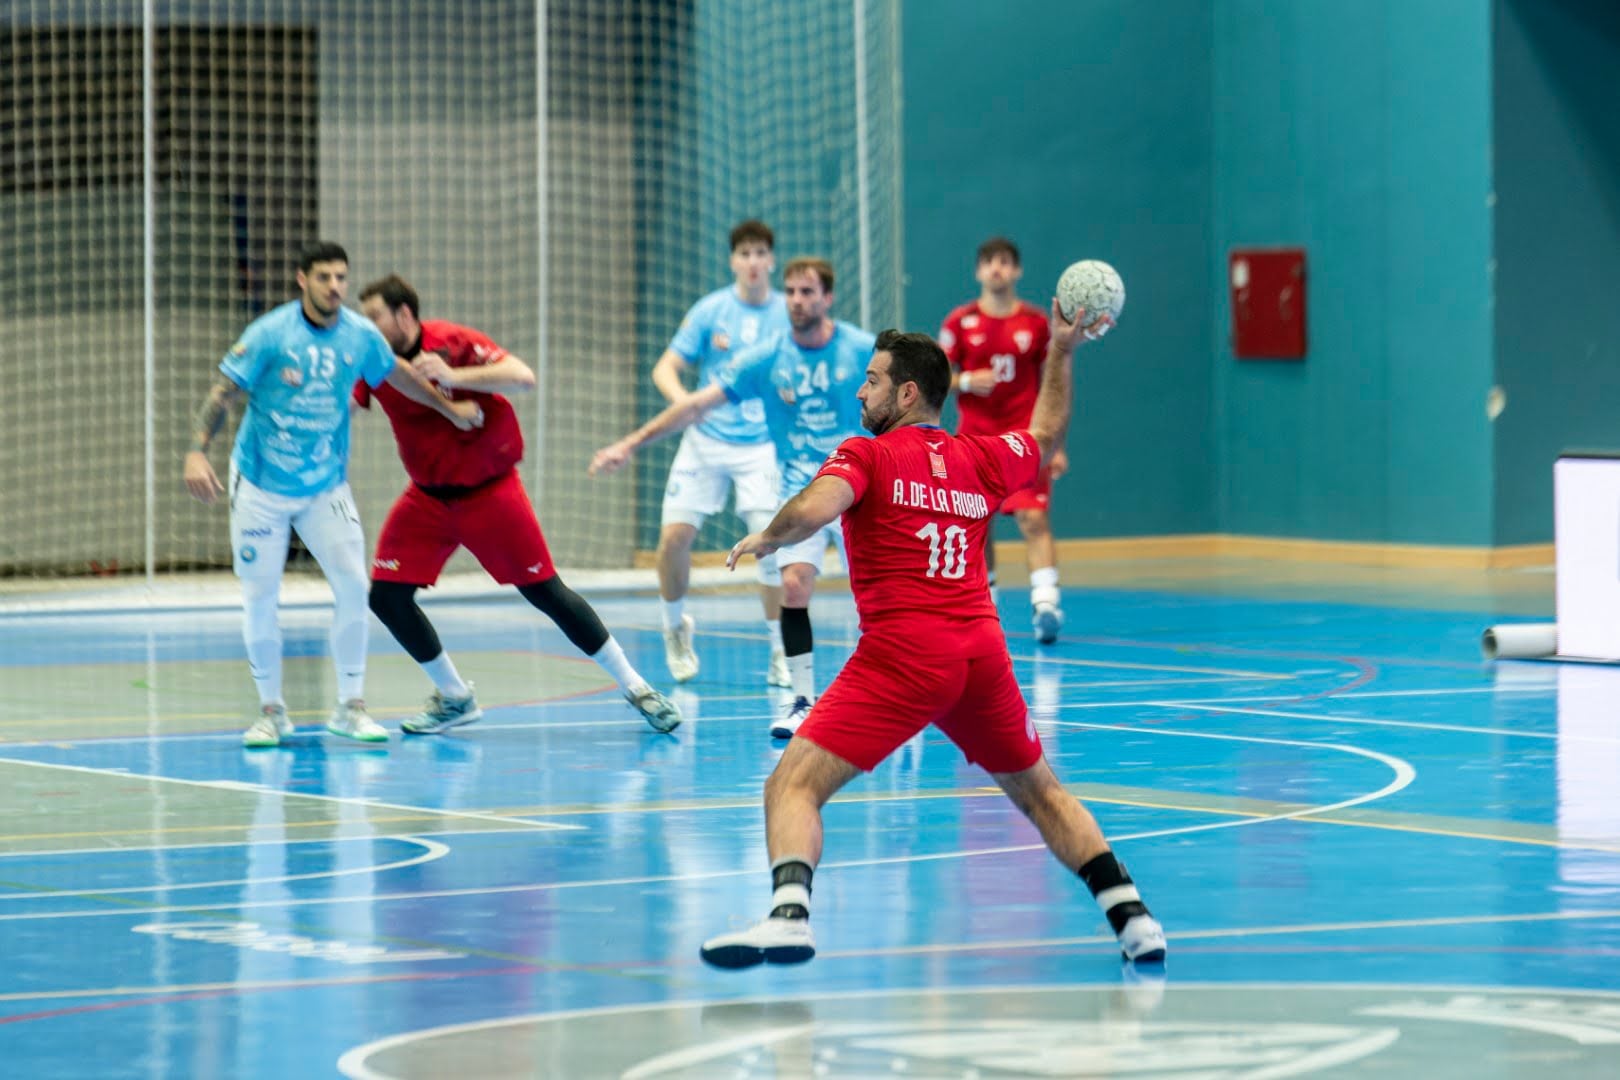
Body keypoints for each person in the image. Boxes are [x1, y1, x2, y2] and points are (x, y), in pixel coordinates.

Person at [698, 304, 1168, 970]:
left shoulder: (867, 453)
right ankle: (1133, 919)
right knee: (1041, 792)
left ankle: (789, 917)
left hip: (902, 659)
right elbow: (1045, 434)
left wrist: (770, 536)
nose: (860, 391)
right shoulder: (981, 457)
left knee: (791, 786)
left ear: (906, 393)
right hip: (981, 658)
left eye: (872, 380)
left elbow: (817, 506)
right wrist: (1061, 352)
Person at [183, 241, 483, 748]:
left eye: (341, 277)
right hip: (261, 486)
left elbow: (401, 379)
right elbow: (224, 393)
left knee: (351, 587)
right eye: (324, 277)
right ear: (303, 280)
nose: (335, 286)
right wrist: (196, 452)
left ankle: (351, 707)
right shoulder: (270, 335)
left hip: (324, 487)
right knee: (260, 597)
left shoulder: (362, 336)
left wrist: (449, 410)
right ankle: (271, 712)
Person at [356, 274, 682, 735]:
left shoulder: (452, 342)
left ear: (404, 315)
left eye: (375, 316)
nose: (367, 325)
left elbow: (522, 377)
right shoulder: (373, 359)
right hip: (426, 498)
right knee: (386, 597)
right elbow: (348, 406)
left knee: (545, 591)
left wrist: (456, 377)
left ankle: (637, 687)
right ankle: (454, 697)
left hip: (489, 493)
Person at [590, 258, 872, 739]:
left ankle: (896, 691)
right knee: (796, 586)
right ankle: (801, 699)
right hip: (801, 491)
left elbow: (910, 397)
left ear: (828, 298)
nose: (798, 302)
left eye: (808, 293)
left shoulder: (861, 349)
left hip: (859, 490)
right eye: (793, 292)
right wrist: (630, 444)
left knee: (879, 595)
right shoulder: (765, 357)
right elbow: (695, 405)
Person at [649, 219, 792, 687]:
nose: (752, 262)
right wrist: (684, 406)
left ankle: (779, 650)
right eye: (744, 254)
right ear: (733, 261)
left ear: (771, 261)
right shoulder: (711, 310)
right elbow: (666, 366)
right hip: (706, 440)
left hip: (762, 447)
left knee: (768, 543)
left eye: (760, 254)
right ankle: (674, 630)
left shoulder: (786, 314)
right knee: (674, 538)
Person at [938, 236, 1066, 643]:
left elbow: (1055, 383)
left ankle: (1045, 601)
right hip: (975, 440)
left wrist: (1056, 445)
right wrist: (967, 380)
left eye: (1006, 262)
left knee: (1033, 517)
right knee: (978, 522)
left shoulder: (1035, 323)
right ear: (978, 271)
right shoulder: (960, 322)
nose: (997, 268)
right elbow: (937, 378)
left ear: (1017, 271)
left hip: (1024, 439)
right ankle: (985, 602)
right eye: (990, 262)